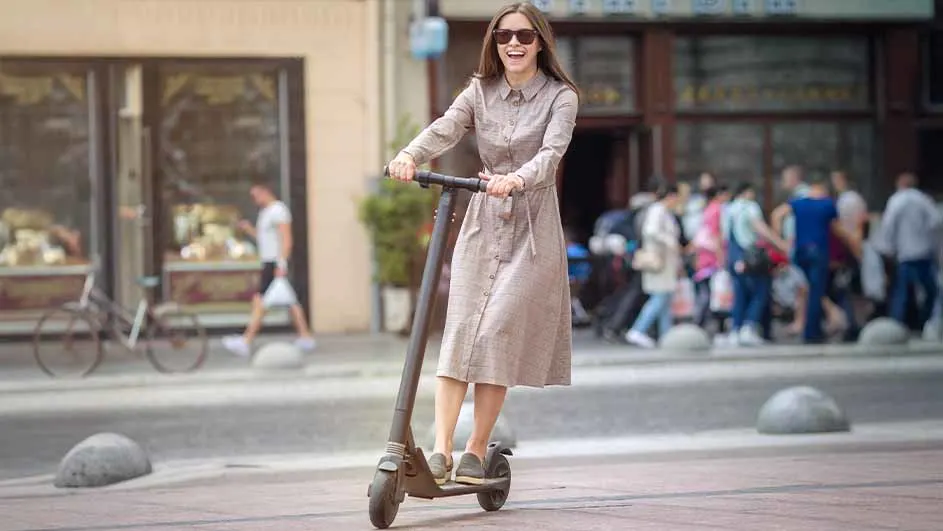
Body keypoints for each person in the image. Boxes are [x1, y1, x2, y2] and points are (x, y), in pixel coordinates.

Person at [385, 2, 579, 486]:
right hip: (482, 220)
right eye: (504, 35)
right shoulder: (479, 91)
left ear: (540, 43)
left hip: (532, 229)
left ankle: (474, 450)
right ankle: (441, 452)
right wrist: (409, 155)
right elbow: (446, 128)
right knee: (460, 333)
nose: (514, 43)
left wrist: (517, 179)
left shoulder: (561, 97)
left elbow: (551, 154)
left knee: (495, 334)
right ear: (494, 42)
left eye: (525, 36)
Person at [222, 184, 316, 357]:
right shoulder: (265, 213)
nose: (254, 200)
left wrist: (282, 263)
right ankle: (305, 336)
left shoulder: (279, 210)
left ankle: (246, 340)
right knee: (290, 302)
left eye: (256, 195)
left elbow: (286, 238)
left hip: (275, 262)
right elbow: (263, 238)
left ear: (265, 192)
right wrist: (249, 230)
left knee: (261, 302)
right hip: (268, 261)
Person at [772, 175, 859, 344]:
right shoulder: (827, 205)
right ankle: (812, 331)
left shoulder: (799, 202)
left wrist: (779, 239)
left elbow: (777, 214)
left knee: (808, 289)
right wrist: (853, 242)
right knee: (816, 291)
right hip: (818, 251)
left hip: (800, 252)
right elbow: (837, 228)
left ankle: (813, 328)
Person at [724, 182, 789, 346]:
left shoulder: (728, 209)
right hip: (751, 257)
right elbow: (760, 228)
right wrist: (780, 244)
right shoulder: (750, 207)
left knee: (739, 294)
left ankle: (736, 329)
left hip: (733, 257)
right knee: (760, 290)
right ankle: (749, 326)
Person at [876, 172, 942, 330]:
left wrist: (887, 247)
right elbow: (936, 221)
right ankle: (924, 319)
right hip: (924, 251)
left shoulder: (896, 200)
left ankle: (896, 323)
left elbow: (888, 225)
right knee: (931, 290)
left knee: (902, 291)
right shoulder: (923, 199)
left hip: (905, 253)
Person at [624, 183, 682, 349]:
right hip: (659, 261)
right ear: (671, 196)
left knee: (664, 299)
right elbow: (651, 231)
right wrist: (670, 242)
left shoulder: (662, 211)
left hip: (664, 262)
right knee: (660, 297)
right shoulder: (658, 210)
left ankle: (666, 335)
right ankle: (638, 330)